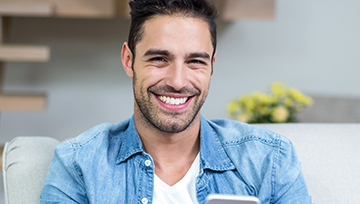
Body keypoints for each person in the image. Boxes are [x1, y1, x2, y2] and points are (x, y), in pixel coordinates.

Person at [40, 0, 312, 203]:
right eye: (159, 59)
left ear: (212, 64)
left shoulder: (270, 160)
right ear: (129, 60)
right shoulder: (78, 165)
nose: (178, 81)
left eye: (195, 61)